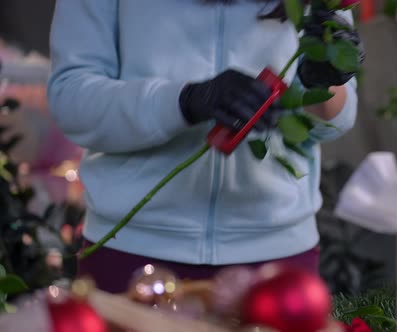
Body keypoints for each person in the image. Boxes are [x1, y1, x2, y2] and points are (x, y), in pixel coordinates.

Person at [47, 0, 362, 293]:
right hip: (132, 250)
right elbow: (72, 99)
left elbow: (336, 121)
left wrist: (321, 82)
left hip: (278, 257)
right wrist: (183, 101)